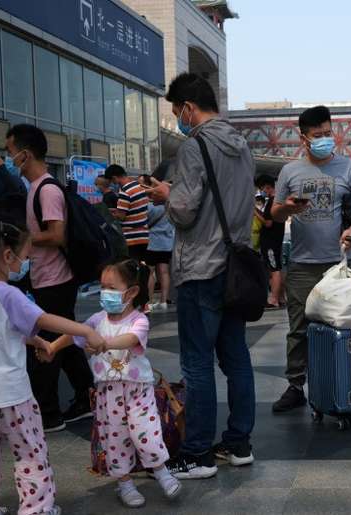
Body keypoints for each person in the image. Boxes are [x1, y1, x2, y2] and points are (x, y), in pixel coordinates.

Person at [145, 72, 257, 479]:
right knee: (236, 358)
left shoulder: (194, 147)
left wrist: (165, 195)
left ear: (189, 109)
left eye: (178, 113)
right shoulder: (242, 146)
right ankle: (238, 443)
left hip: (200, 266)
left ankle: (197, 454)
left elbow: (185, 210)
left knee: (196, 363)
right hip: (235, 266)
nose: (179, 120)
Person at [0, 221, 105, 515]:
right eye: (25, 257)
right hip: (10, 394)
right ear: (8, 257)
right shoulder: (8, 293)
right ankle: (37, 508)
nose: (27, 263)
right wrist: (86, 331)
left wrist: (37, 342)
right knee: (30, 452)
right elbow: (46, 318)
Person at [41, 260, 182, 508]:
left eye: (110, 287)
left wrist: (105, 343)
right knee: (115, 438)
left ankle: (162, 473)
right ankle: (125, 484)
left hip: (138, 389)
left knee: (146, 434)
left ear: (132, 292)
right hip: (109, 392)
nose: (104, 292)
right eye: (102, 286)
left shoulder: (139, 320)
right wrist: (52, 347)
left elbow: (129, 339)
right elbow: (75, 332)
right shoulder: (97, 319)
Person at [270, 105, 351, 413]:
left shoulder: (348, 168)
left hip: (338, 265)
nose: (325, 139)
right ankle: (295, 385)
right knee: (298, 327)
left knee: (344, 325)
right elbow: (274, 213)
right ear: (303, 138)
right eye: (318, 135)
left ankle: (343, 382)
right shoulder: (290, 171)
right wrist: (288, 208)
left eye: (328, 134)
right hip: (301, 264)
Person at [6, 123, 94, 432]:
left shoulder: (48, 189)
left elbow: (57, 235)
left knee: (47, 345)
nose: (9, 159)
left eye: (10, 152)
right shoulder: (36, 188)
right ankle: (86, 395)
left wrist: (25, 239)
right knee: (64, 343)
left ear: (25, 154)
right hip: (46, 277)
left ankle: (48, 412)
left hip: (57, 279)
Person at [142, 165, 175, 311]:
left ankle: (148, 302)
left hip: (153, 243)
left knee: (150, 272)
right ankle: (163, 301)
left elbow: (145, 222)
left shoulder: (151, 206)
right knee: (164, 272)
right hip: (167, 242)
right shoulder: (170, 204)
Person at [104, 164, 150, 263]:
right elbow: (134, 208)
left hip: (131, 238)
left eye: (112, 181)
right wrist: (116, 210)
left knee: (131, 269)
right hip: (144, 235)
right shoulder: (139, 186)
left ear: (114, 178)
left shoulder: (125, 192)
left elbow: (121, 216)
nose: (113, 184)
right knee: (143, 268)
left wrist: (109, 214)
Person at [254, 174, 286, 309]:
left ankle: (274, 300)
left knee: (274, 269)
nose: (262, 191)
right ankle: (281, 297)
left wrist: (255, 212)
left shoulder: (272, 202)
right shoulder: (279, 200)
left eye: (262, 188)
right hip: (276, 239)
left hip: (270, 241)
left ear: (267, 187)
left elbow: (268, 223)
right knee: (277, 267)